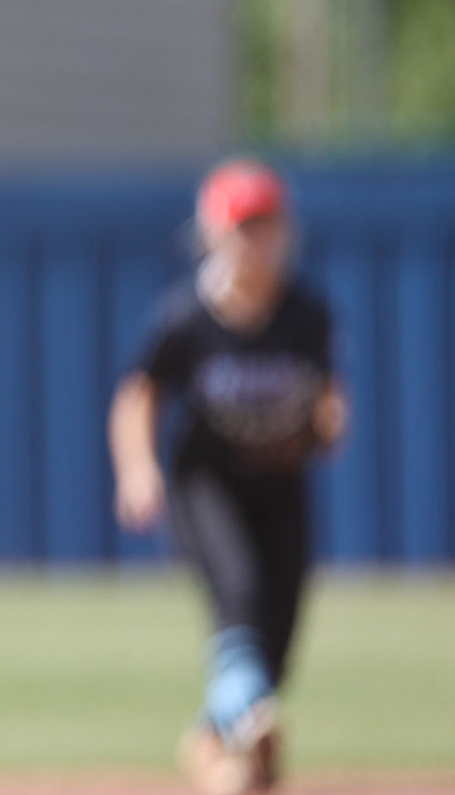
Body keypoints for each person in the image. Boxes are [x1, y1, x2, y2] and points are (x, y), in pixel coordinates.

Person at [108, 158, 347, 795]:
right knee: (239, 589)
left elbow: (327, 395)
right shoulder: (190, 315)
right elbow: (138, 395)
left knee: (279, 636)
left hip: (280, 484)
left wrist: (328, 420)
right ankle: (244, 719)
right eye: (242, 227)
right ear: (213, 234)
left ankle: (216, 738)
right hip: (205, 482)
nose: (254, 241)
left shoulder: (306, 313)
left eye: (265, 225)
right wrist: (137, 470)